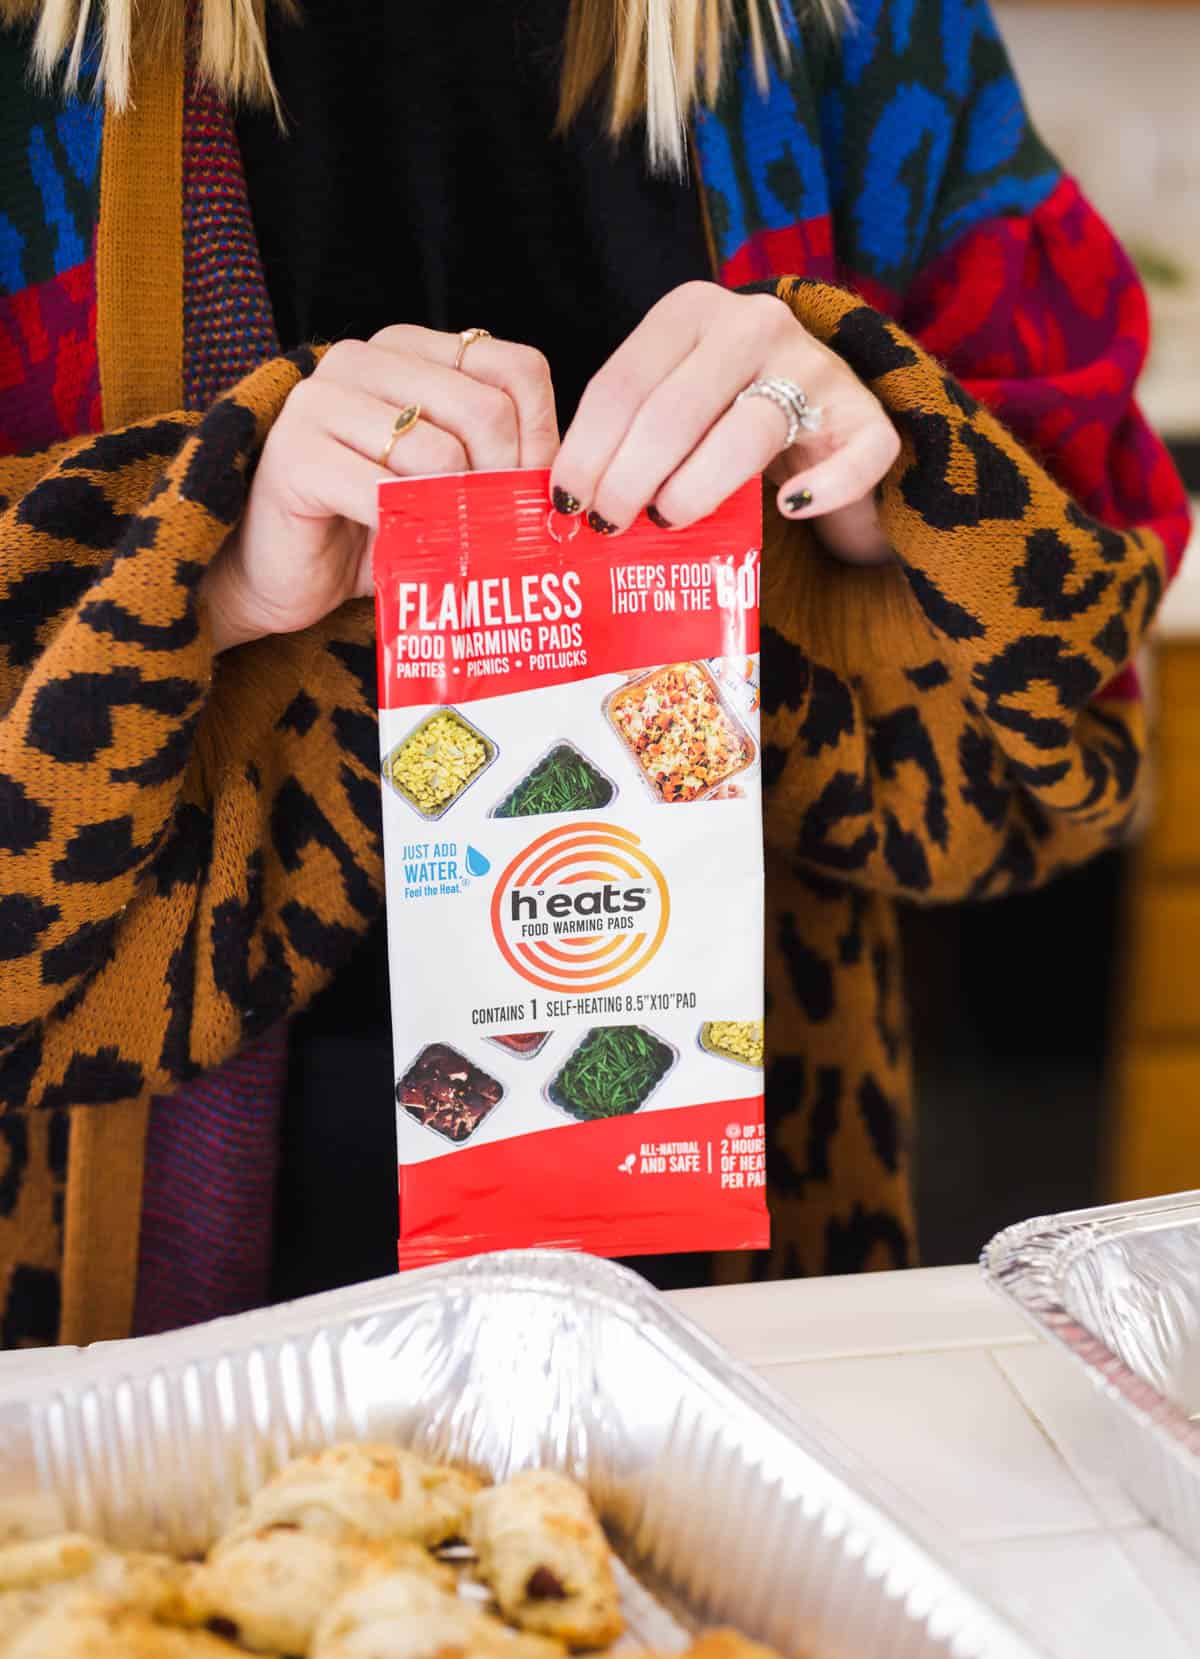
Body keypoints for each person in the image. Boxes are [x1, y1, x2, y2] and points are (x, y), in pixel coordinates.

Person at [0, 0, 1189, 1346]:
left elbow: (1066, 767)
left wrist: (877, 494)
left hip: (735, 1287)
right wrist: (197, 564)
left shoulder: (854, 29)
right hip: (114, 1337)